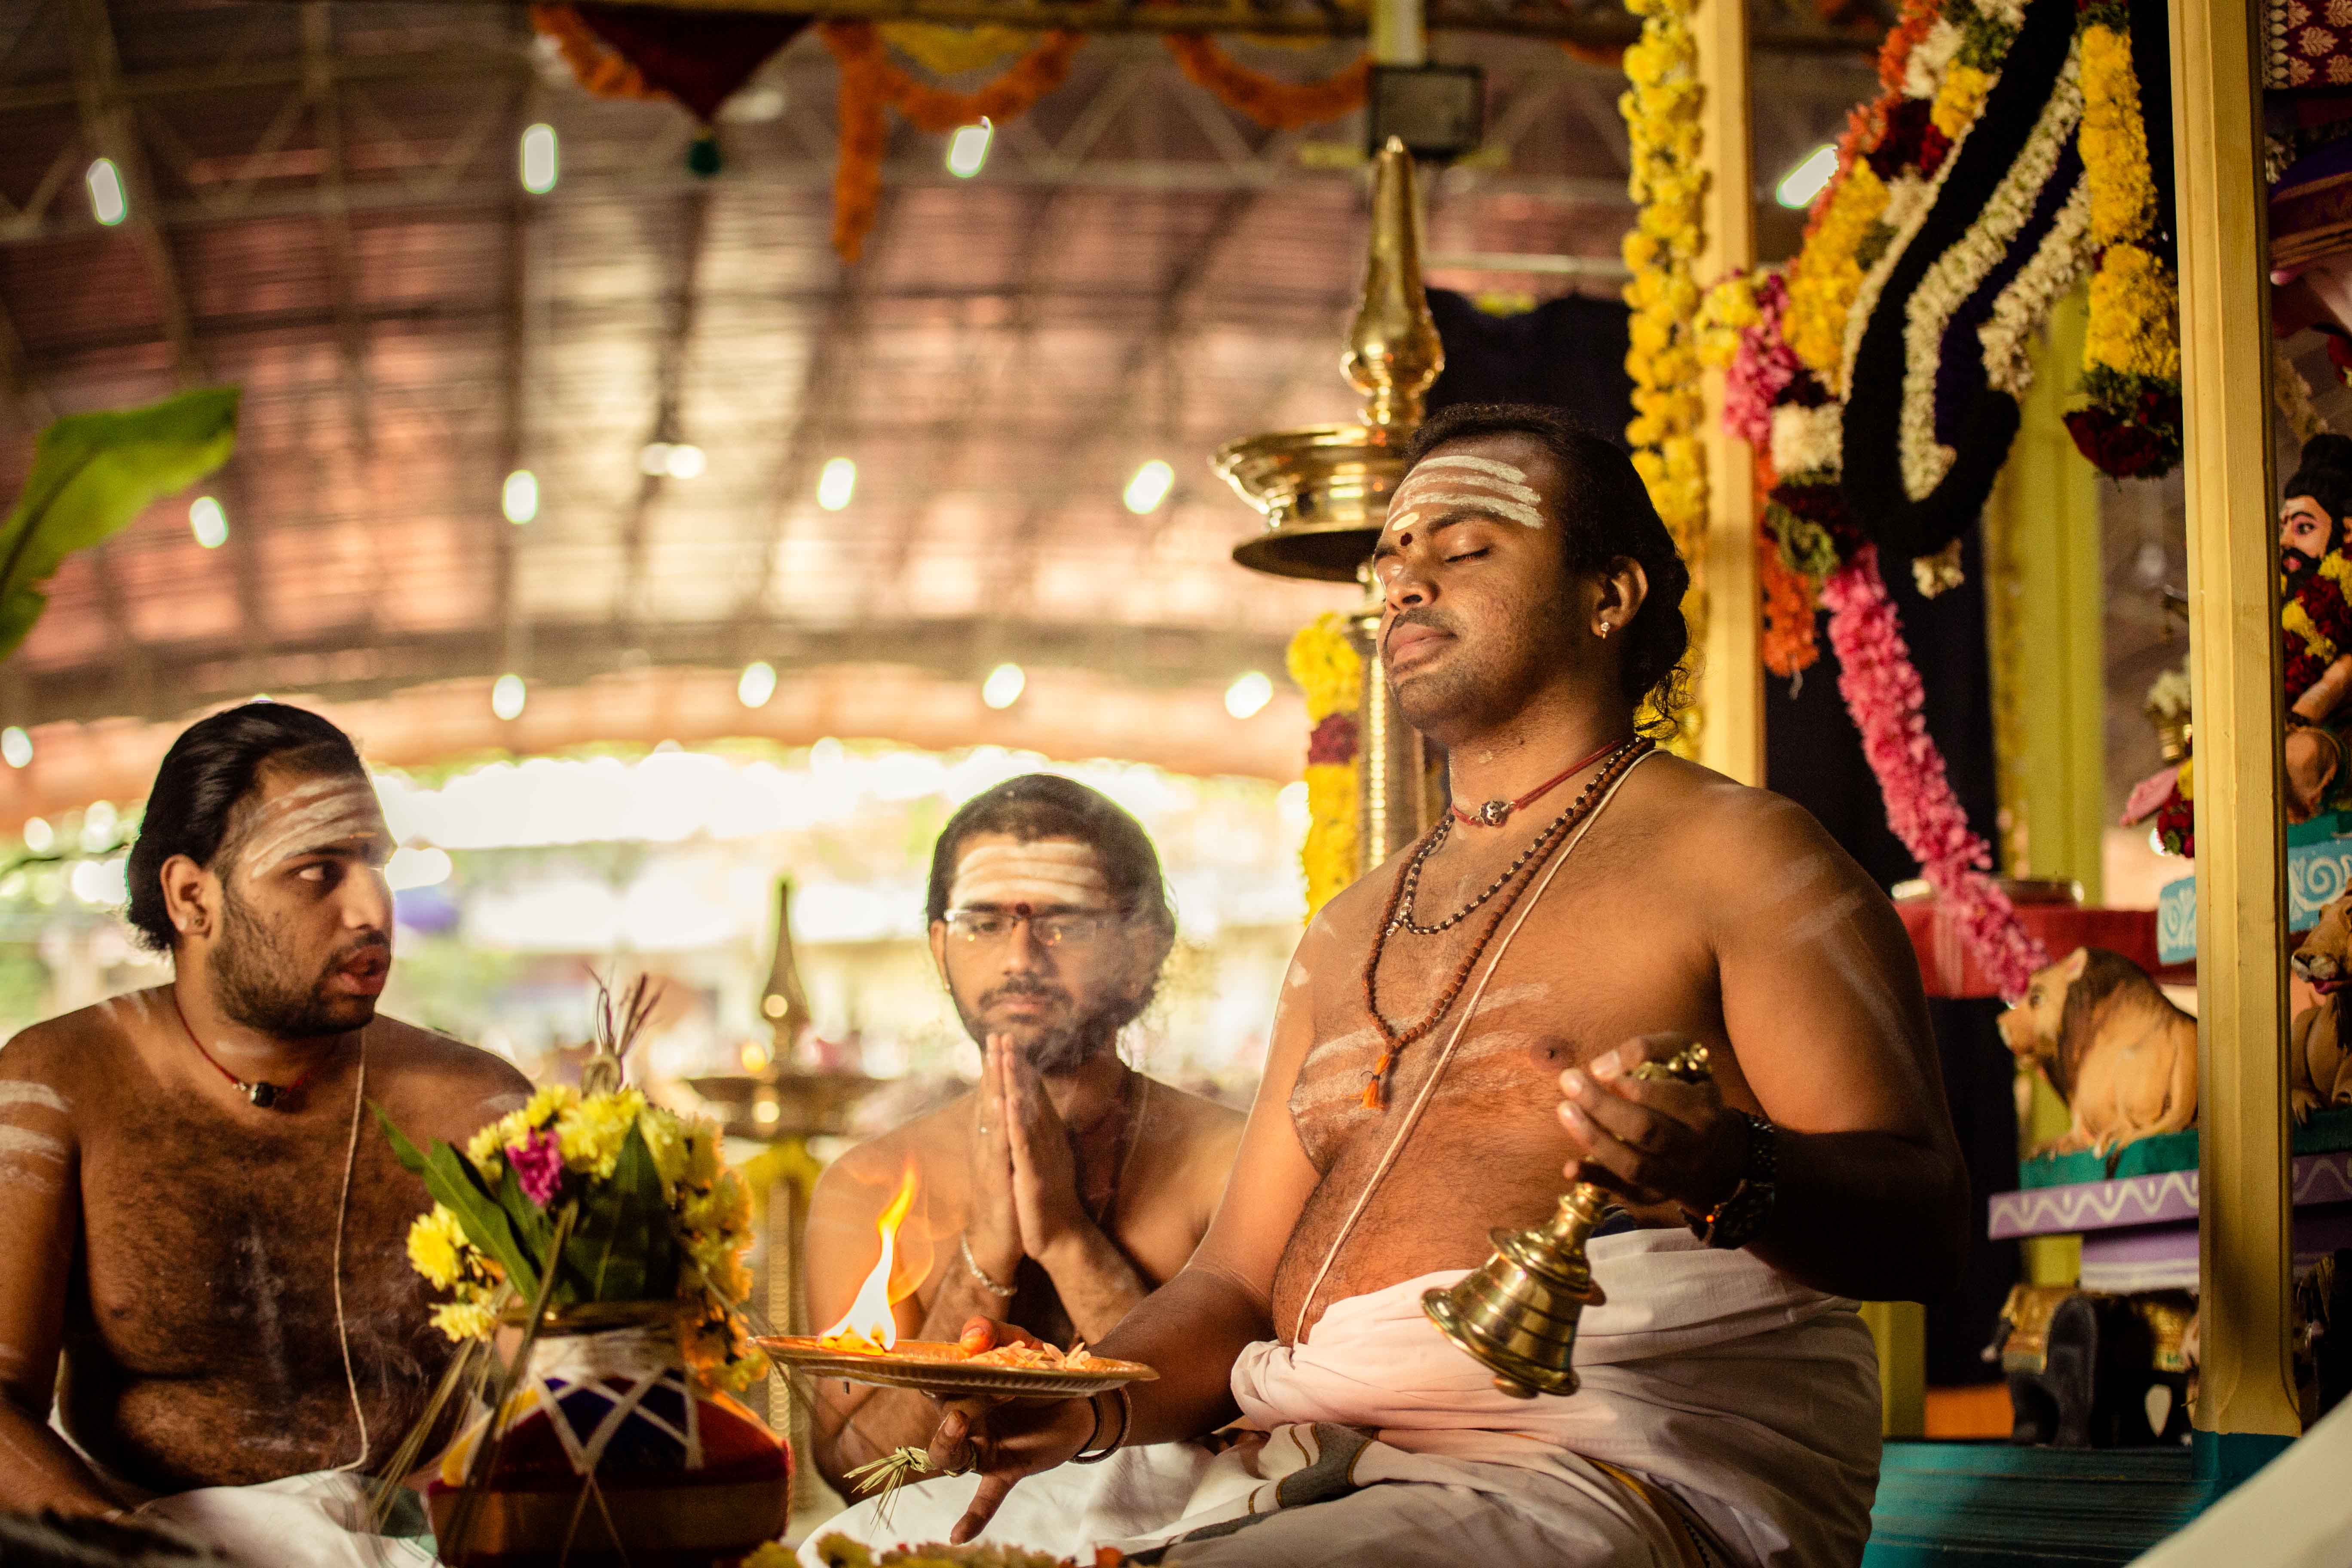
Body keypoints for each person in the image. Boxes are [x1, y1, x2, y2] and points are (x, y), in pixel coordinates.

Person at [805, 404, 1967, 1568]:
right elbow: (1233, 1284)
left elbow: (1929, 1226)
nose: (1405, 583)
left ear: (1608, 598)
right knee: (850, 1552)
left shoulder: (1744, 860)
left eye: (1462, 551)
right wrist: (1082, 1408)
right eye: (1391, 560)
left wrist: (1731, 1171)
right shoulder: (1350, 928)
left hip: (1596, 1470)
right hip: (1318, 1449)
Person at [0, 703, 529, 1538]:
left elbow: (573, 1392)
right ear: (191, 897)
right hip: (134, 1544)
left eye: (375, 862)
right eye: (318, 871)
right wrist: (144, 1556)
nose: (371, 909)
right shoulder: (59, 1084)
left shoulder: (473, 1107)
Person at [802, 775, 1246, 1500]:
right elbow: (858, 1474)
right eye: (983, 923)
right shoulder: (869, 1182)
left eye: (1064, 922)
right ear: (941, 946)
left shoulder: (1226, 1161)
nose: (1020, 957)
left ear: (1145, 946)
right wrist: (984, 1252)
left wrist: (1069, 1240)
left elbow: (1242, 1443)